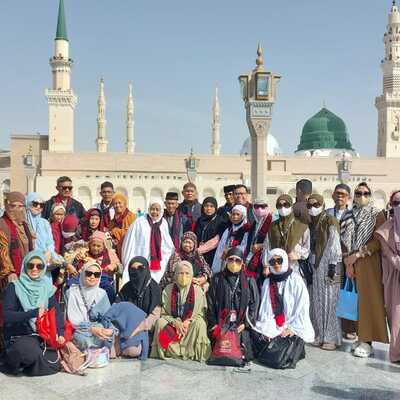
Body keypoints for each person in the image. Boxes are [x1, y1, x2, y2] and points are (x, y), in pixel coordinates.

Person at [341, 182, 389, 358]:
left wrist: (358, 255)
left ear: (370, 195)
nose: (362, 196)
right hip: (350, 262)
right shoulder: (348, 214)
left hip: (368, 262)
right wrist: (348, 262)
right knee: (354, 300)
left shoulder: (377, 214)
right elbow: (343, 239)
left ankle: (368, 341)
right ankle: (360, 336)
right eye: (359, 193)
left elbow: (379, 240)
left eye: (366, 193)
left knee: (368, 301)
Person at [2, 250, 63, 376]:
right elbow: (7, 316)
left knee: (53, 361)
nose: (35, 269)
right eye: (31, 265)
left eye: (39, 266)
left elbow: (56, 312)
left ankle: (28, 364)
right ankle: (13, 361)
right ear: (25, 266)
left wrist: (59, 333)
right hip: (18, 336)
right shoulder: (14, 287)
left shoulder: (46, 288)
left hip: (40, 335)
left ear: (43, 268)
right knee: (29, 353)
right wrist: (32, 313)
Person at [252, 249, 314, 367]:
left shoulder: (296, 281)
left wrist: (292, 329)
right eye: (272, 261)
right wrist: (267, 329)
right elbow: (266, 310)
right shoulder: (267, 282)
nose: (276, 264)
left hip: (293, 324)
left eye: (279, 260)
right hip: (274, 323)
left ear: (285, 260)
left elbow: (302, 309)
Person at [151, 261, 211, 361]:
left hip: (189, 325)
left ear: (192, 275)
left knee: (200, 324)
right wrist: (175, 322)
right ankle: (168, 352)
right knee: (160, 323)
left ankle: (192, 352)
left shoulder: (198, 291)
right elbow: (164, 313)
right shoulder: (168, 289)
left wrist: (188, 321)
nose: (184, 276)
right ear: (176, 274)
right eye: (181, 273)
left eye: (187, 273)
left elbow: (201, 314)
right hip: (173, 323)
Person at [207, 247, 259, 362]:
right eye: (231, 260)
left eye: (237, 261)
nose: (234, 263)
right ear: (226, 261)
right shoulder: (217, 278)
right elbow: (210, 303)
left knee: (242, 346)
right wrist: (214, 324)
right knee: (219, 345)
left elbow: (254, 305)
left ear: (242, 263)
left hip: (240, 325)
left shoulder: (249, 281)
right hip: (220, 324)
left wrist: (245, 324)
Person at [307, 194, 342, 350]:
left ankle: (331, 338)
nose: (312, 208)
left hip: (331, 266)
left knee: (331, 301)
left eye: (316, 204)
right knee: (318, 302)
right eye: (309, 205)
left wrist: (333, 266)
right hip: (316, 266)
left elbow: (335, 243)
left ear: (322, 204)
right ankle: (320, 335)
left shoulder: (329, 220)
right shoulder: (312, 222)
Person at [121, 198, 174, 285]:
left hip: (157, 263)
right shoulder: (139, 222)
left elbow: (167, 244)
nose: (155, 212)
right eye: (152, 209)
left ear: (161, 211)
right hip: (141, 256)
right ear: (149, 209)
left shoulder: (163, 223)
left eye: (157, 209)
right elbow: (130, 242)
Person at [375, 190, 400, 362]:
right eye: (396, 203)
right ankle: (397, 353)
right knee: (397, 316)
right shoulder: (385, 230)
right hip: (395, 278)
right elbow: (390, 256)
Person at [66, 261, 113, 351]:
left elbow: (107, 317)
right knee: (83, 340)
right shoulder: (72, 292)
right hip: (79, 329)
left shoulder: (101, 293)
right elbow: (73, 320)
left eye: (96, 274)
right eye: (89, 273)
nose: (92, 277)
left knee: (106, 337)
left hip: (98, 328)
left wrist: (107, 330)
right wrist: (91, 329)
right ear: (83, 274)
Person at [67, 231, 120, 303]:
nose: (95, 248)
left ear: (104, 246)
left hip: (102, 278)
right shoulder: (84, 253)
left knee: (109, 288)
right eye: (93, 245)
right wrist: (76, 260)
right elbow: (74, 268)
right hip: (85, 278)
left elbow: (120, 267)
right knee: (71, 285)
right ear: (89, 245)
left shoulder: (110, 254)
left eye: (98, 246)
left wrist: (114, 266)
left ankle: (110, 307)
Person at [263, 194, 310, 274]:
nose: (283, 208)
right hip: (276, 265)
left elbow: (307, 248)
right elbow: (267, 246)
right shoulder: (273, 226)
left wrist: (298, 255)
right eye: (279, 205)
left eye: (286, 205)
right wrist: (266, 265)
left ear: (291, 206)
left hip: (294, 266)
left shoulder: (302, 226)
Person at [117, 256, 161, 334]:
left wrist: (139, 328)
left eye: (140, 268)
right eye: (133, 269)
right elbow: (117, 307)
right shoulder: (126, 288)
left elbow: (155, 316)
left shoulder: (154, 289)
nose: (137, 272)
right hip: (126, 327)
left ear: (147, 269)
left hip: (147, 330)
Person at [0, 192, 35, 291]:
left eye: (20, 206)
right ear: (7, 205)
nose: (16, 209)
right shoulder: (2, 224)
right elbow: (3, 251)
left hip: (27, 271)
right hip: (10, 275)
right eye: (13, 206)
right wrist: (10, 272)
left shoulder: (24, 224)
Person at [25, 192, 62, 266]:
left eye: (41, 205)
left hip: (45, 261)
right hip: (28, 262)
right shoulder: (23, 222)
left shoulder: (44, 223)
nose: (38, 207)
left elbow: (50, 242)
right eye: (35, 204)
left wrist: (49, 252)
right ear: (28, 204)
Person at [212, 205, 250, 274]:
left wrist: (231, 250)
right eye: (233, 214)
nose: (235, 217)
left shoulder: (246, 230)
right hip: (226, 262)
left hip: (239, 262)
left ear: (243, 216)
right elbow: (220, 248)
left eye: (237, 214)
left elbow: (245, 247)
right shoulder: (228, 230)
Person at [245, 199, 273, 281]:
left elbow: (273, 242)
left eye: (263, 206)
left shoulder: (272, 221)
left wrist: (261, 245)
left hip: (266, 261)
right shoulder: (255, 223)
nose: (259, 209)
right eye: (257, 206)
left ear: (267, 207)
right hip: (254, 259)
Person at [195, 197, 226, 266]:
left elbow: (217, 239)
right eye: (206, 206)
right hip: (198, 254)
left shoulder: (220, 222)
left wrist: (200, 249)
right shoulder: (200, 220)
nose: (208, 208)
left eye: (211, 206)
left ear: (215, 208)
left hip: (213, 254)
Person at [108, 193, 136, 257]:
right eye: (115, 203)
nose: (117, 205)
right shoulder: (113, 220)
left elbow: (132, 234)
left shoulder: (131, 217)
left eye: (120, 203)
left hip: (129, 250)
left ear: (125, 204)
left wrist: (115, 231)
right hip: (117, 252)